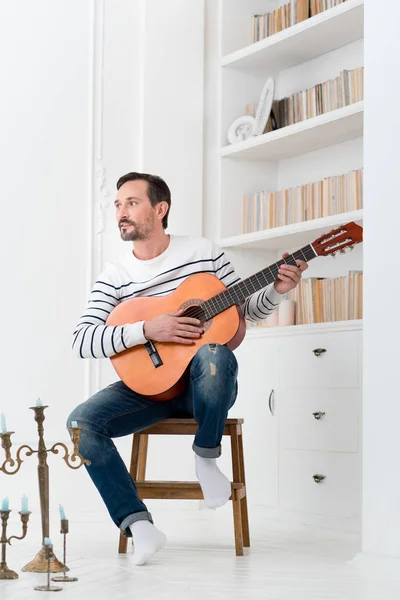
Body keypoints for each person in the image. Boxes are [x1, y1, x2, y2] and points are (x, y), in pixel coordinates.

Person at [68, 171, 308, 566]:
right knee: (82, 425)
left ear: (160, 209)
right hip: (150, 389)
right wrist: (149, 328)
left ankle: (206, 455)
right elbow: (83, 339)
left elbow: (243, 310)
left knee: (214, 352)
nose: (121, 213)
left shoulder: (202, 252)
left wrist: (276, 291)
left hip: (204, 387)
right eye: (117, 205)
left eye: (131, 203)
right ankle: (140, 526)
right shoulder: (115, 275)